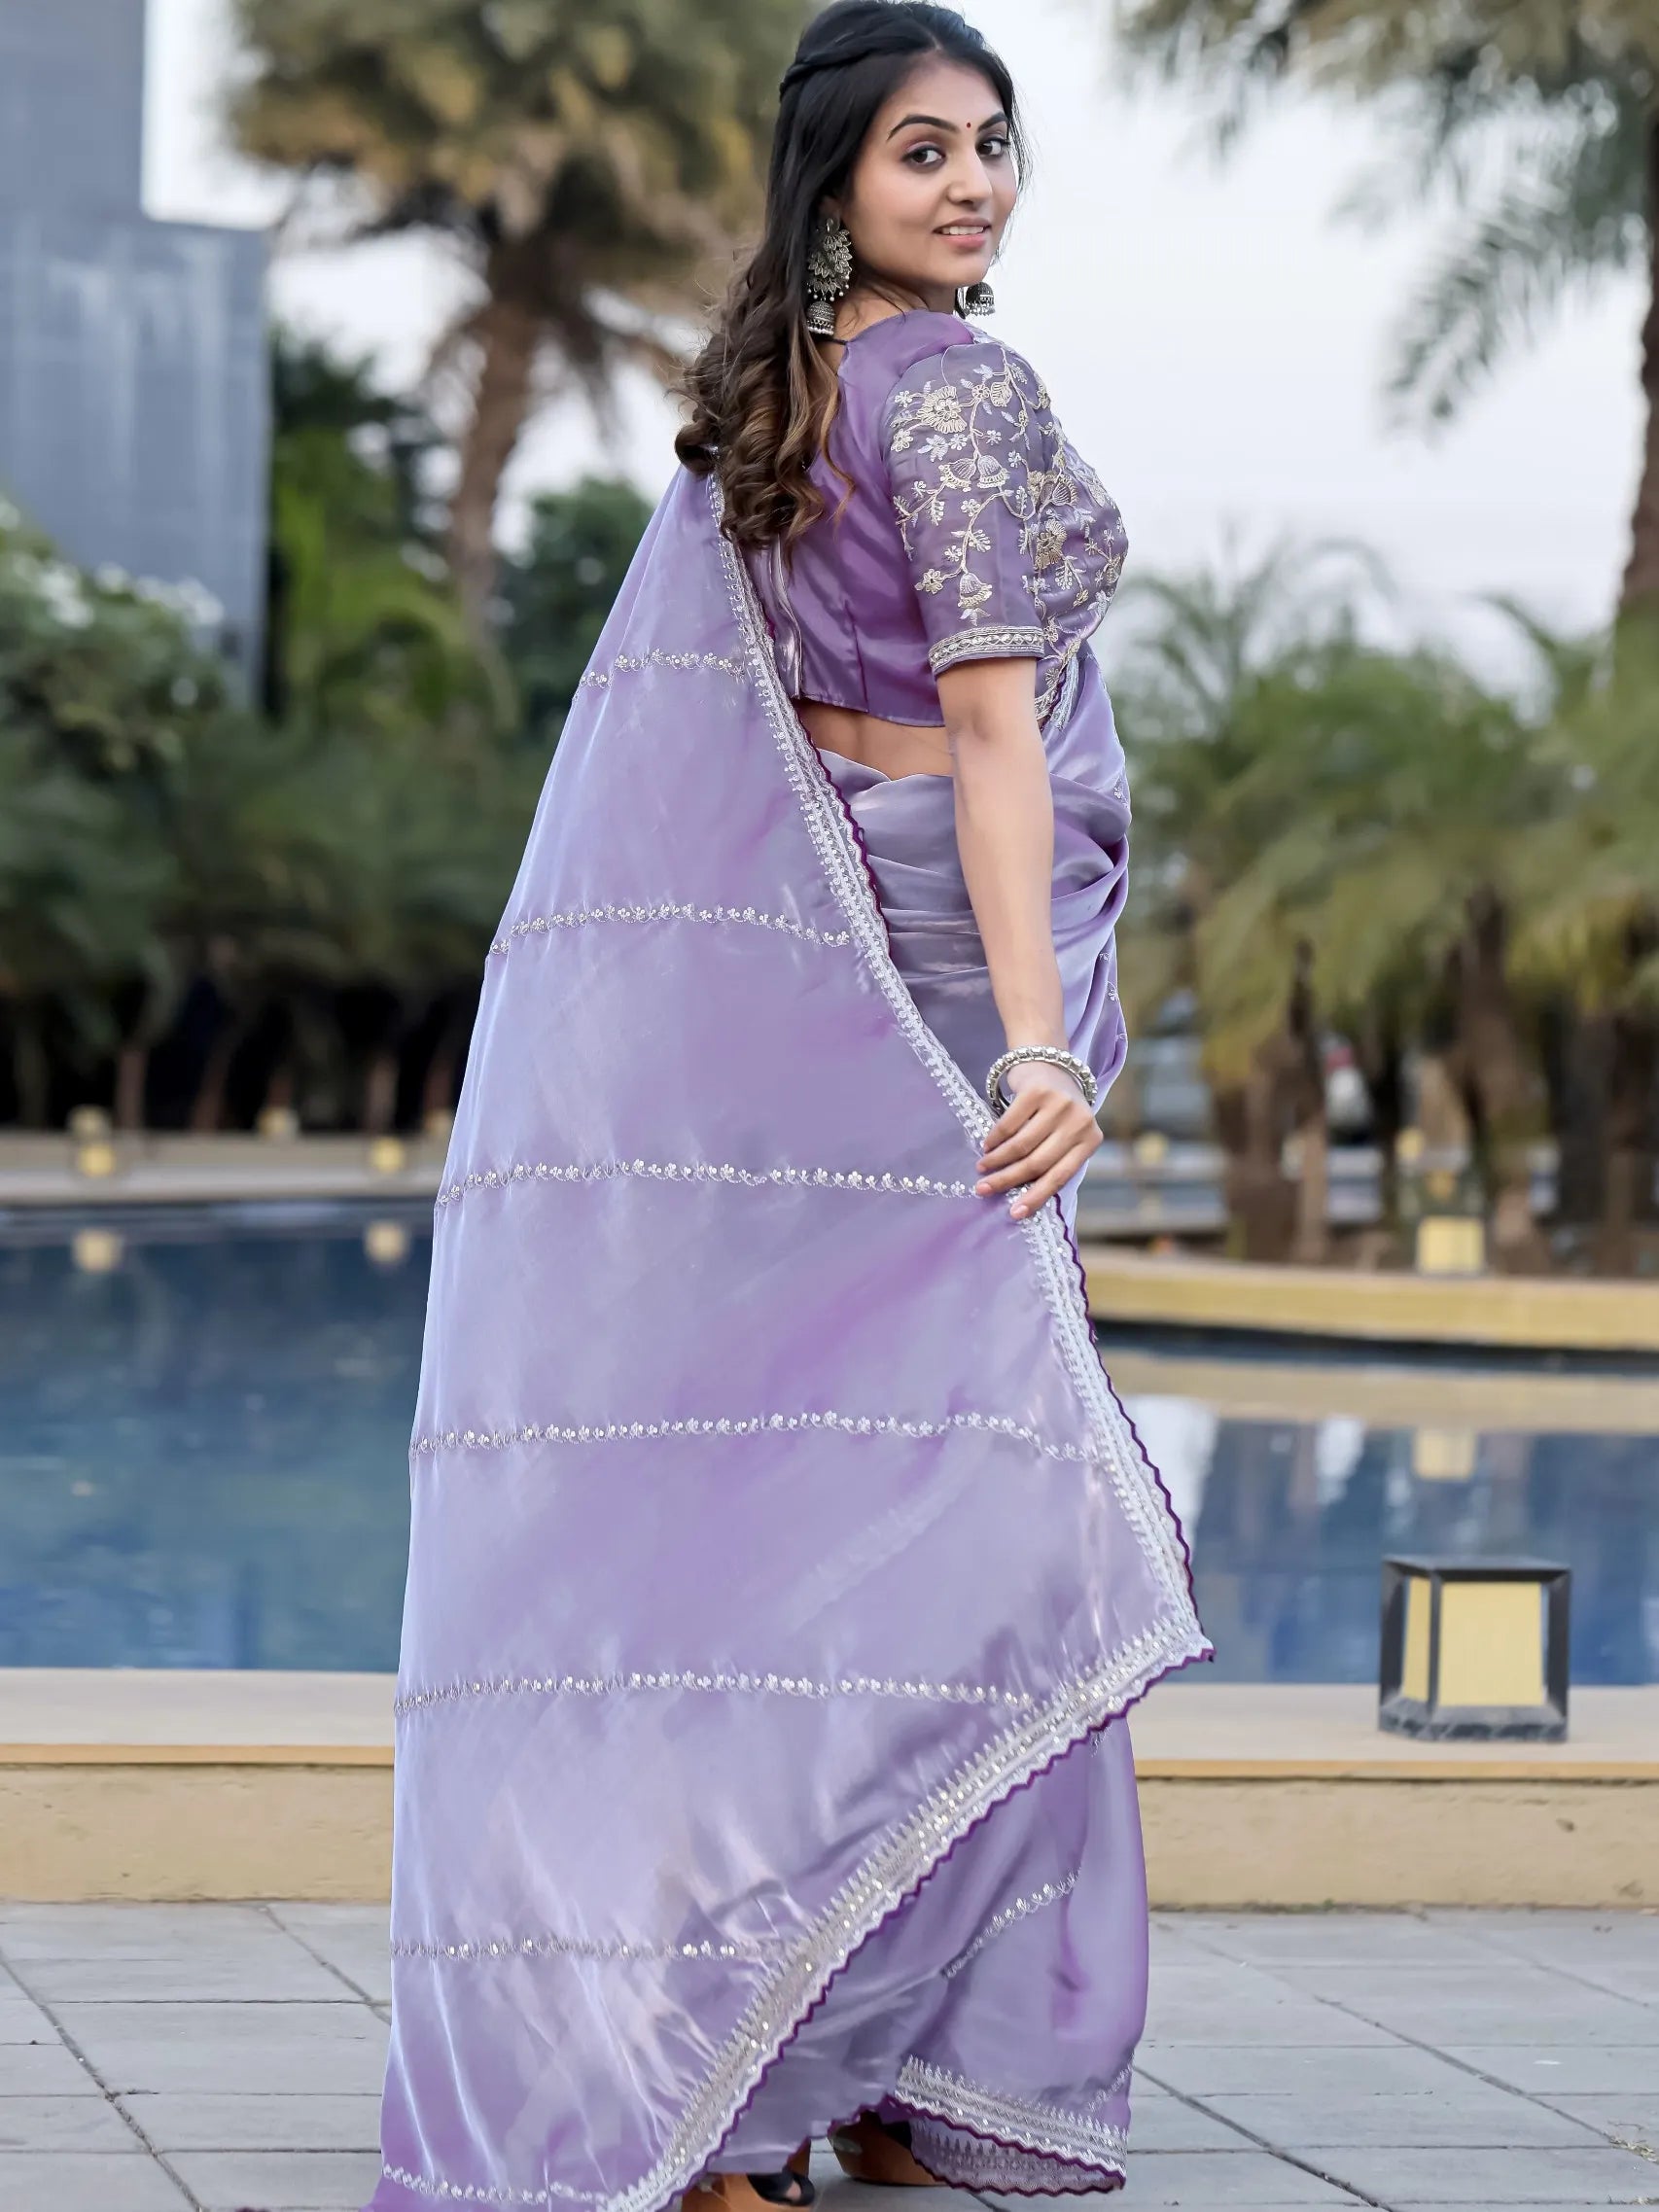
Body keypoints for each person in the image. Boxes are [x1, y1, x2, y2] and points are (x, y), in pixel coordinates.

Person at [363, 8, 1207, 2211]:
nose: (974, 183)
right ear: (834, 171)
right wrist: (1033, 1042)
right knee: (984, 1515)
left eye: (997, 147)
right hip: (935, 981)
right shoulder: (961, 391)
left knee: (772, 1515)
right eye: (924, 148)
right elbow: (996, 739)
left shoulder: (767, 402)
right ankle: (784, 2068)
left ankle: (792, 2061)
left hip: (801, 963)